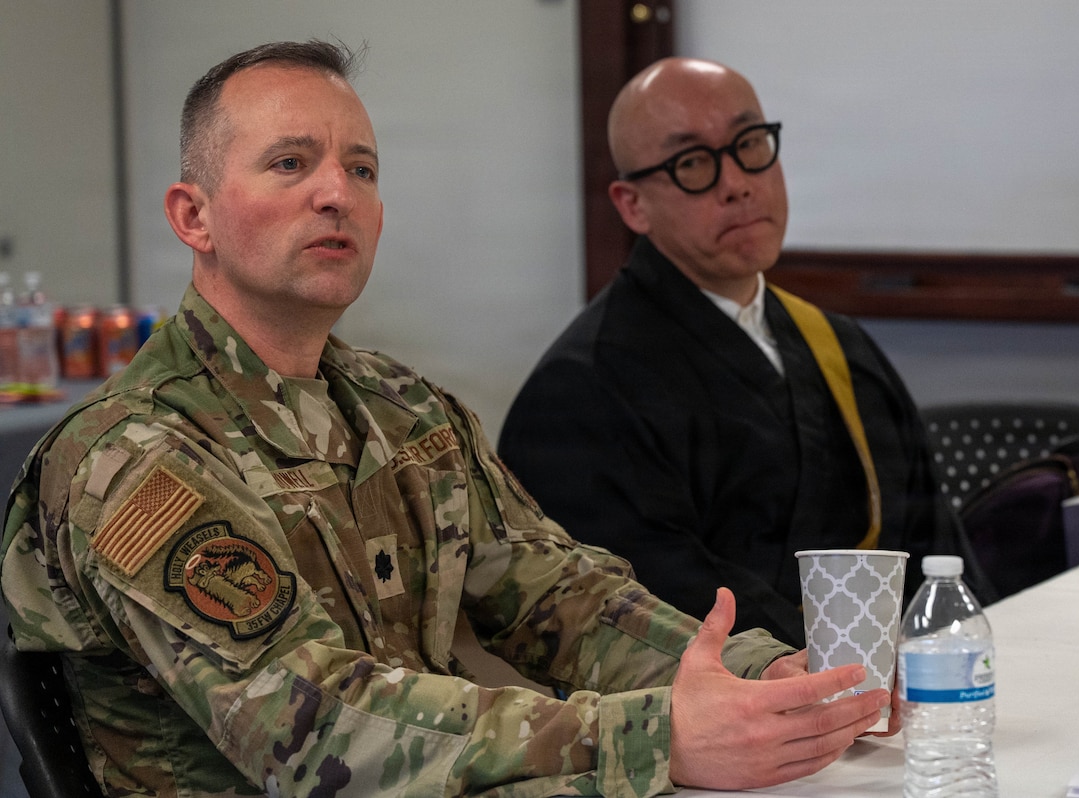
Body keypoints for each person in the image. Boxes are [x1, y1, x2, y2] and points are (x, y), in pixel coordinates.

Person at [0, 41, 893, 797]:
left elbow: (562, 598)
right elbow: (315, 730)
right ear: (193, 216)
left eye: (361, 169)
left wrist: (761, 680)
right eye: (290, 163)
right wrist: (656, 736)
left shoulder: (406, 410)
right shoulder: (129, 457)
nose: (335, 193)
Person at [499, 57, 992, 649]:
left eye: (749, 143)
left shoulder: (839, 345)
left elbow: (935, 547)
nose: (736, 182)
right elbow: (649, 610)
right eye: (691, 163)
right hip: (728, 719)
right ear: (633, 205)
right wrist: (840, 677)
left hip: (902, 702)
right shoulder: (580, 393)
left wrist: (958, 657)